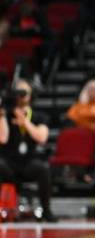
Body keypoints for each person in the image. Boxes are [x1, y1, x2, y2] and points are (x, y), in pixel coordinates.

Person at [0, 79, 56, 222]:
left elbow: (42, 138)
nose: (21, 96)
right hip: (8, 163)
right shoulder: (5, 114)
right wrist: (2, 115)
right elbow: (2, 138)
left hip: (28, 162)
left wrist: (25, 121)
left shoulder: (39, 116)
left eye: (24, 92)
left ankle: (47, 210)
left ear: (31, 95)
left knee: (43, 169)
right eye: (17, 92)